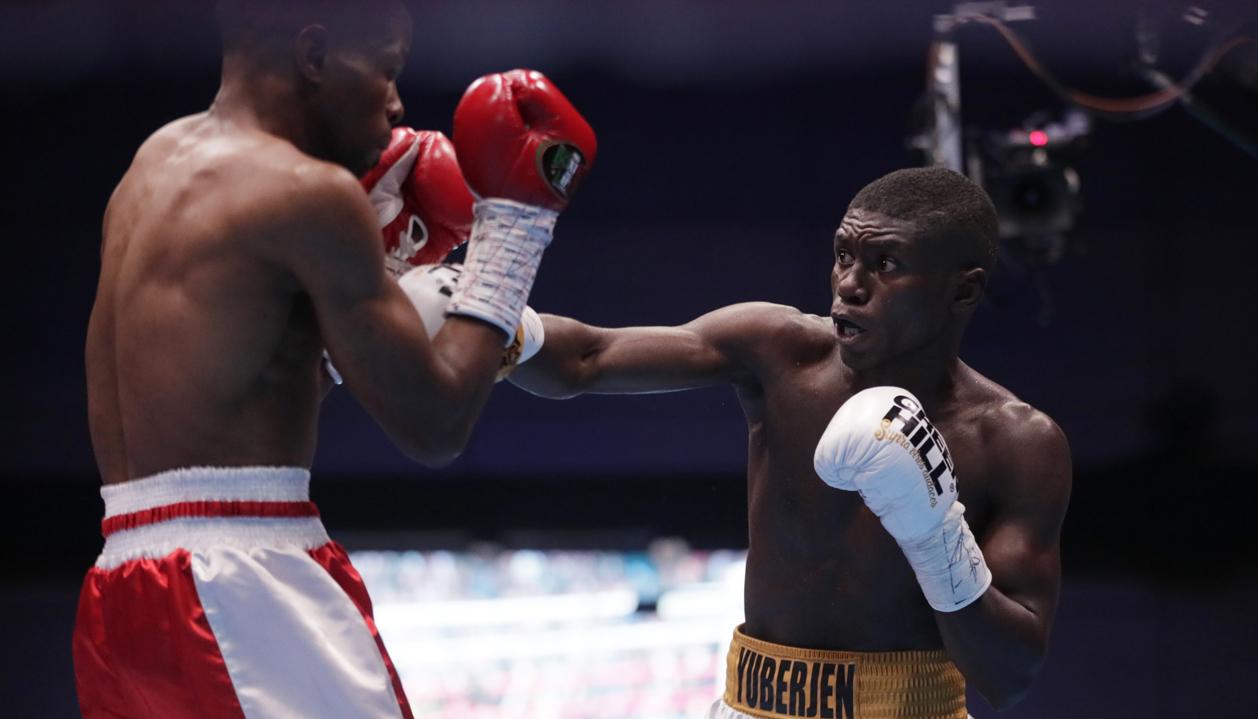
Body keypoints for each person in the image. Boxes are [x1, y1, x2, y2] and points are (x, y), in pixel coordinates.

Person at [73, 0, 595, 716]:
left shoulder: (148, 170)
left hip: (122, 590)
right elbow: (436, 421)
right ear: (314, 57)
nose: (397, 101)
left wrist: (356, 300)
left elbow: (233, 395)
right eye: (386, 70)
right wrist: (514, 224)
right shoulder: (308, 196)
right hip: (243, 586)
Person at [509, 166, 1072, 718]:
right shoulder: (781, 351)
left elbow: (1009, 676)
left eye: (886, 264)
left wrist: (935, 533)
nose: (850, 284)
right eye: (844, 255)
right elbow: (588, 358)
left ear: (964, 290)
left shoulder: (1015, 442)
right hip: (750, 704)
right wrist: (499, 326)